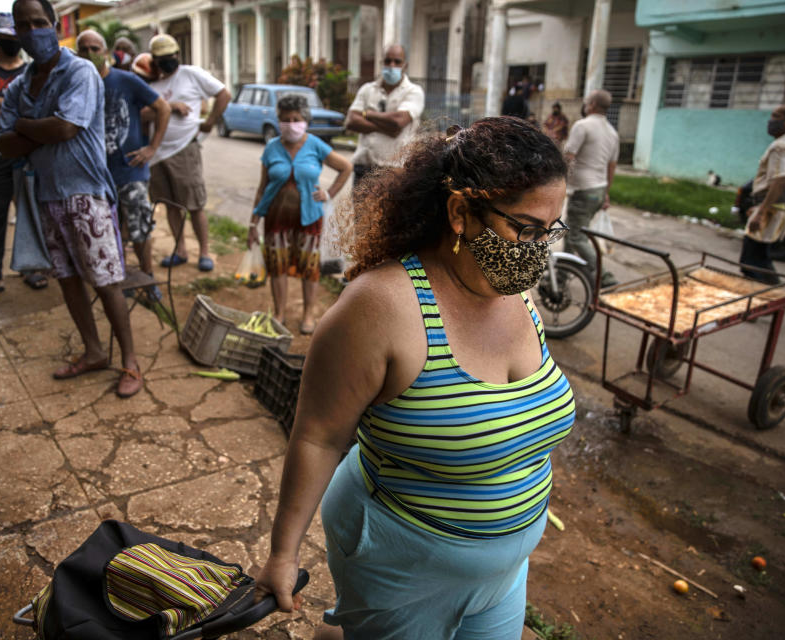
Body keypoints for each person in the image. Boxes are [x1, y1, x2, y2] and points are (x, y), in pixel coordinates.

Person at [255, 117, 575, 639]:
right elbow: (318, 435)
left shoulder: (516, 288)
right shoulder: (379, 307)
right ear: (459, 212)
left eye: (550, 230)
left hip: (506, 570)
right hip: (402, 567)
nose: (538, 249)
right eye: (525, 229)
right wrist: (282, 553)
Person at [0, 0, 142, 398]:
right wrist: (34, 130)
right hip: (45, 195)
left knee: (108, 281)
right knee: (67, 279)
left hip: (86, 195)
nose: (34, 31)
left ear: (54, 23)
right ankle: (94, 352)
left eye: (40, 22)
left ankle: (130, 362)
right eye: (24, 25)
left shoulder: (79, 71)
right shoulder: (19, 85)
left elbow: (63, 128)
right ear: (18, 33)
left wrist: (25, 126)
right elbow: (4, 144)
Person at [247, 95, 352, 334]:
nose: (291, 123)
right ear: (279, 121)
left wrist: (329, 193)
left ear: (305, 120)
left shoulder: (315, 145)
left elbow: (346, 167)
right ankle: (280, 313)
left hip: (310, 218)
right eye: (285, 119)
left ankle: (308, 314)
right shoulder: (272, 147)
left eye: (296, 119)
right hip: (275, 218)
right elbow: (262, 188)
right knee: (277, 266)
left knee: (309, 267)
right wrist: (253, 224)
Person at [77, 30, 171, 294]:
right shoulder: (78, 84)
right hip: (95, 175)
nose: (90, 54)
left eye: (96, 48)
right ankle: (120, 276)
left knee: (140, 226)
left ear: (105, 52)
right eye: (84, 49)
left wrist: (152, 148)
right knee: (109, 230)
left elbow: (163, 108)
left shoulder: (126, 81)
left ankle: (147, 277)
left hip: (131, 171)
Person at [0, 12, 48, 299]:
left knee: (30, 213)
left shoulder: (32, 70)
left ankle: (31, 267)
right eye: (6, 37)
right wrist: (17, 111)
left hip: (28, 154)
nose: (12, 42)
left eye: (16, 37)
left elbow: (40, 109)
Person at [146, 34, 232, 271]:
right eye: (162, 58)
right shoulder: (150, 83)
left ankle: (204, 252)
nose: (168, 61)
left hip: (185, 149)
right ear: (155, 60)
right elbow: (142, 112)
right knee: (170, 205)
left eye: (171, 56)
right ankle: (180, 249)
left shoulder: (191, 74)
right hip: (157, 154)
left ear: (178, 55)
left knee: (194, 205)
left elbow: (223, 94)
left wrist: (211, 121)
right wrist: (170, 107)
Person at [739, 104, 785, 284]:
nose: (770, 120)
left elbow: (780, 181)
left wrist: (760, 212)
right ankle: (773, 293)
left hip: (772, 212)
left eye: (776, 116)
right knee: (761, 258)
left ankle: (767, 297)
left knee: (751, 262)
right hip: (782, 208)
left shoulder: (781, 147)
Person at [562, 89, 619, 287]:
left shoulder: (582, 126)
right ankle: (561, 276)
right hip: (599, 189)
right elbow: (611, 166)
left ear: (592, 105)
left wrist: (559, 184)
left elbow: (568, 157)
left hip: (583, 191)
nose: (585, 105)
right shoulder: (612, 132)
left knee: (575, 236)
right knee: (571, 233)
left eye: (587, 101)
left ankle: (605, 276)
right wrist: (606, 194)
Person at [345, 44, 425, 185]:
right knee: (360, 208)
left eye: (397, 61)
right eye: (388, 61)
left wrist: (368, 114)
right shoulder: (367, 90)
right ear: (382, 63)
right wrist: (387, 128)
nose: (391, 65)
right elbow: (351, 121)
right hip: (363, 169)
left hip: (393, 172)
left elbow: (398, 121)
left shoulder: (413, 92)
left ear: (405, 65)